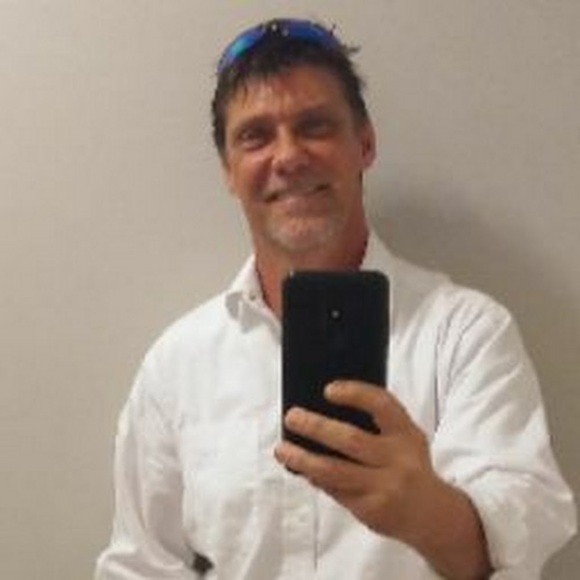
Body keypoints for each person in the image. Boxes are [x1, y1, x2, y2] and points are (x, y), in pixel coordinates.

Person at [95, 18, 576, 579]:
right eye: (255, 136)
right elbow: (139, 566)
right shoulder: (178, 365)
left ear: (364, 144)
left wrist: (427, 514)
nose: (288, 156)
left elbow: (526, 536)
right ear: (228, 170)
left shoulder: (465, 334)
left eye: (315, 126)